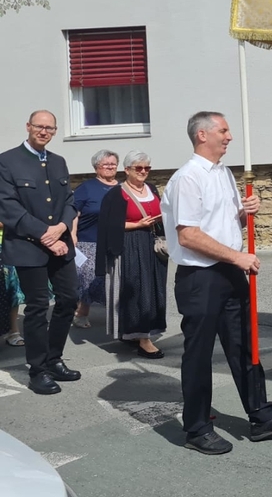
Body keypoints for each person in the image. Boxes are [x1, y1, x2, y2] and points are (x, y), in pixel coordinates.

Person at [161, 111, 272, 455]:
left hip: (229, 273)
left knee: (244, 345)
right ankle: (196, 428)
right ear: (202, 135)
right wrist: (237, 257)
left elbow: (223, 222)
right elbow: (189, 235)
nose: (230, 136)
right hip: (201, 277)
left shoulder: (223, 173)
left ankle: (261, 416)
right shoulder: (188, 178)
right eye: (223, 130)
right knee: (199, 354)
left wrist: (245, 211)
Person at [0, 111, 80, 395]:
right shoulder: (7, 161)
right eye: (39, 126)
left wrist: (61, 227)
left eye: (50, 128)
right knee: (37, 306)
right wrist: (47, 235)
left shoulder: (58, 161)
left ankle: (53, 359)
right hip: (29, 246)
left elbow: (69, 201)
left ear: (55, 131)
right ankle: (38, 370)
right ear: (28, 127)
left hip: (61, 244)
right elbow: (8, 208)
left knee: (69, 299)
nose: (44, 132)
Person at [96, 150, 168, 358]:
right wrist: (137, 224)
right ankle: (143, 338)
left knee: (154, 289)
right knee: (138, 289)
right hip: (130, 245)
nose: (143, 171)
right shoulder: (116, 194)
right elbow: (109, 226)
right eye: (139, 168)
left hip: (152, 245)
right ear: (127, 170)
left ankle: (138, 332)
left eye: (147, 168)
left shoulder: (151, 188)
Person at [69, 149, 118, 329]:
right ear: (97, 167)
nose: (110, 167)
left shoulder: (122, 187)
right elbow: (73, 212)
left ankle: (117, 313)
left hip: (114, 240)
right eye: (106, 164)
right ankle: (82, 312)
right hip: (89, 240)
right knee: (89, 276)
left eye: (113, 164)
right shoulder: (86, 188)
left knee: (116, 276)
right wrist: (73, 234)